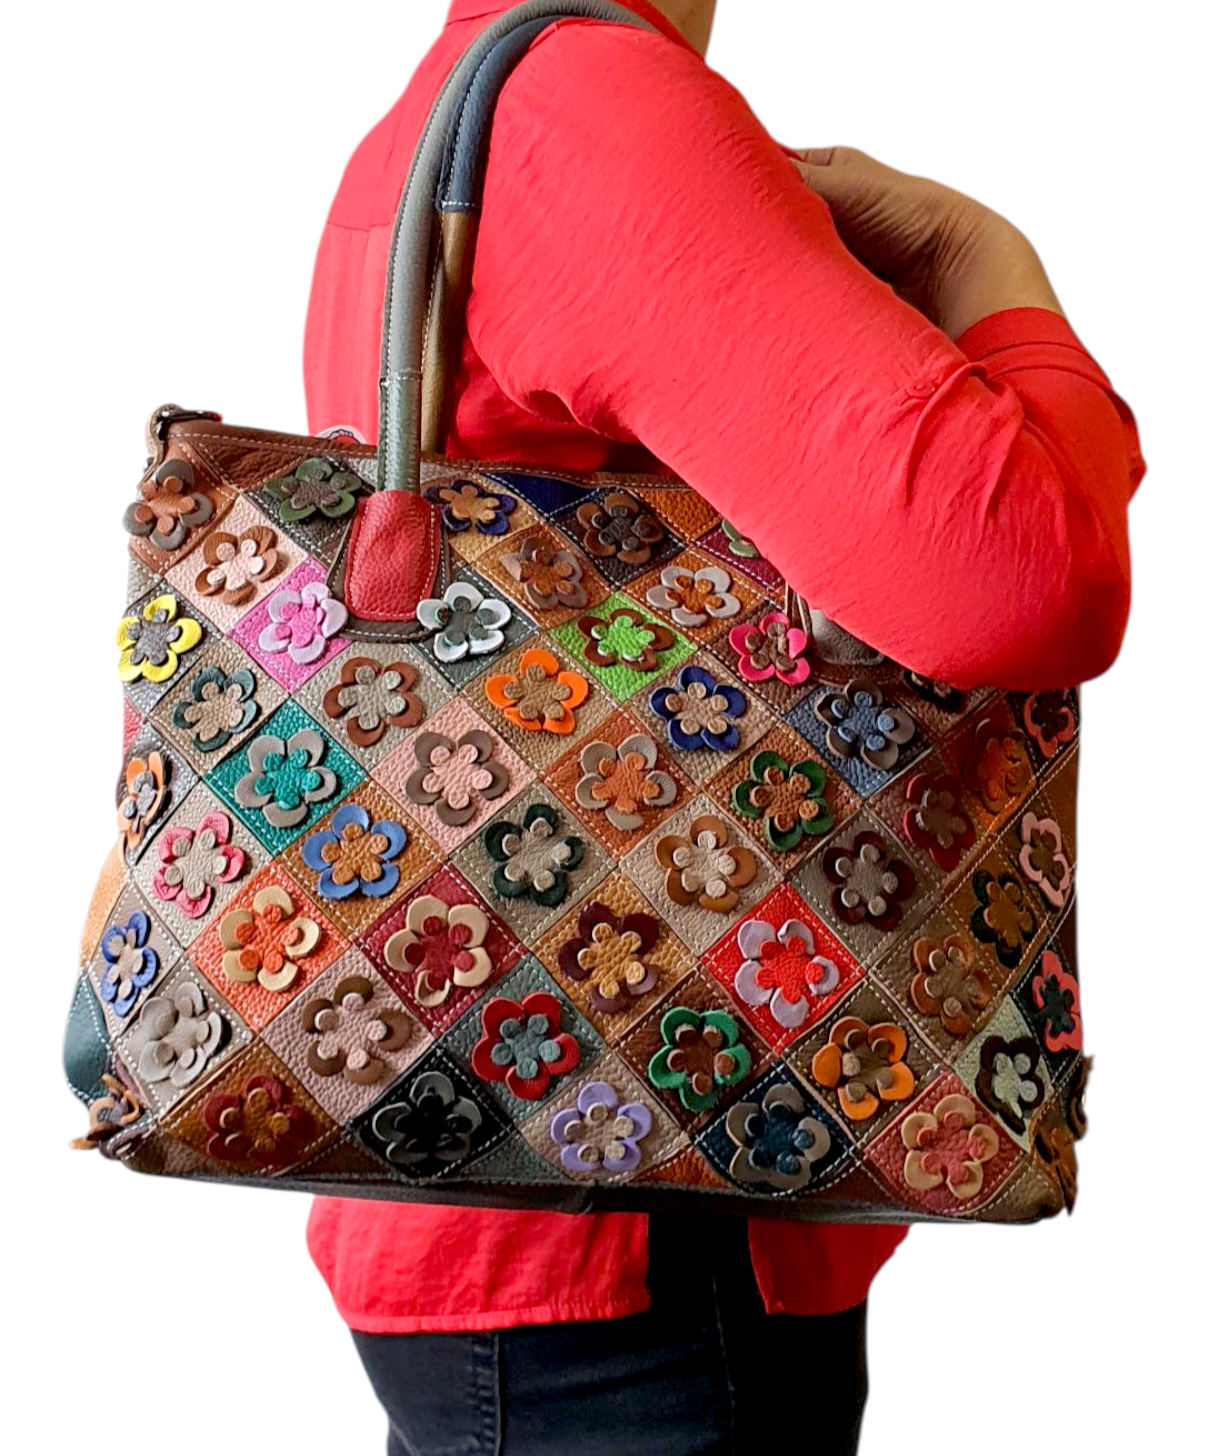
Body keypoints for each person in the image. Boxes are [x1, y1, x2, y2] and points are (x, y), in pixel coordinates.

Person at [302, 3, 1146, 1452]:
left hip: (508, 1189)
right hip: (643, 1220)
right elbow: (1031, 578)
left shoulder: (456, 101)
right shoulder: (586, 104)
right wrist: (983, 269)